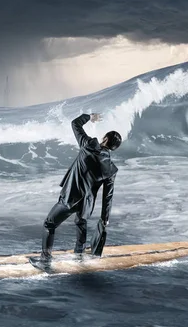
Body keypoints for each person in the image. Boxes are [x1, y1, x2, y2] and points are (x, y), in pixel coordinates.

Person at [29, 113, 122, 271]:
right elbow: (108, 197)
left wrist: (89, 117)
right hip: (87, 204)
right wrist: (105, 218)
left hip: (70, 198)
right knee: (81, 224)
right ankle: (79, 258)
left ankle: (45, 261)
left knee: (49, 223)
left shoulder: (89, 145)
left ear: (105, 139)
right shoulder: (111, 169)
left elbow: (75, 124)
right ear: (114, 148)